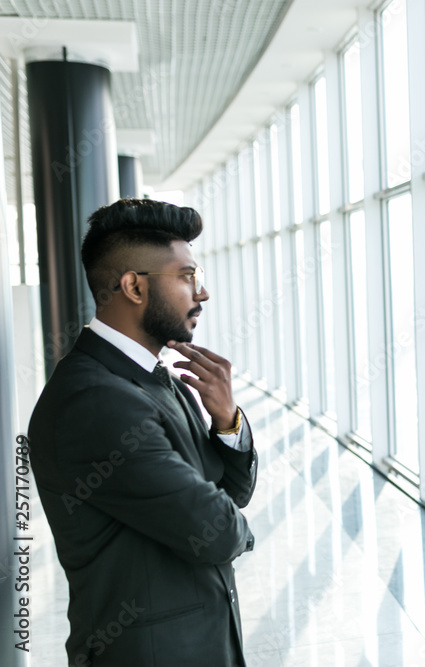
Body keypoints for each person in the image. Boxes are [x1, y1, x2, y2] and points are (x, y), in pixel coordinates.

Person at [28, 198, 257, 666]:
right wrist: (236, 528)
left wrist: (227, 419)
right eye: (187, 276)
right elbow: (217, 530)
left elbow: (234, 491)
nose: (202, 293)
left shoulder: (159, 378)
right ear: (133, 286)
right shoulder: (92, 401)